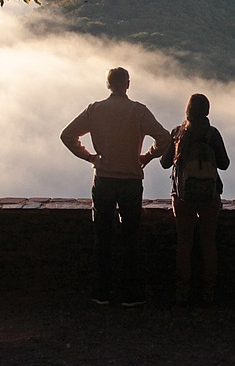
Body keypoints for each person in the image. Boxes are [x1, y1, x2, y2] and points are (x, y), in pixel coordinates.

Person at [61, 67, 171, 307]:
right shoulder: (138, 111)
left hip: (104, 179)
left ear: (108, 85)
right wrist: (147, 157)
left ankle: (101, 291)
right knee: (131, 237)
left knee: (103, 235)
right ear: (127, 84)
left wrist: (90, 157)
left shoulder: (94, 110)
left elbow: (67, 135)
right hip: (131, 179)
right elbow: (165, 139)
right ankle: (131, 293)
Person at [160, 93, 230, 305]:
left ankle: (182, 292)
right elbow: (224, 164)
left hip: (182, 196)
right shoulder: (213, 134)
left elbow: (164, 163)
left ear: (187, 110)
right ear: (207, 111)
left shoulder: (178, 132)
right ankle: (209, 292)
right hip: (209, 196)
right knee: (209, 243)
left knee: (184, 244)